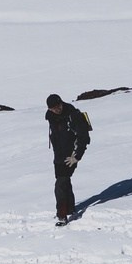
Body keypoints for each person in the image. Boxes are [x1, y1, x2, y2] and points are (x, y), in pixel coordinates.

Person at [45, 94, 91, 226]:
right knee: (64, 182)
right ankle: (70, 208)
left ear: (61, 103)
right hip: (58, 157)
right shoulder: (51, 118)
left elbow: (84, 137)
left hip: (70, 156)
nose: (56, 109)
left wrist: (76, 156)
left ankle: (62, 215)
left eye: (58, 106)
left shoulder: (73, 115)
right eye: (53, 108)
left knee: (60, 184)